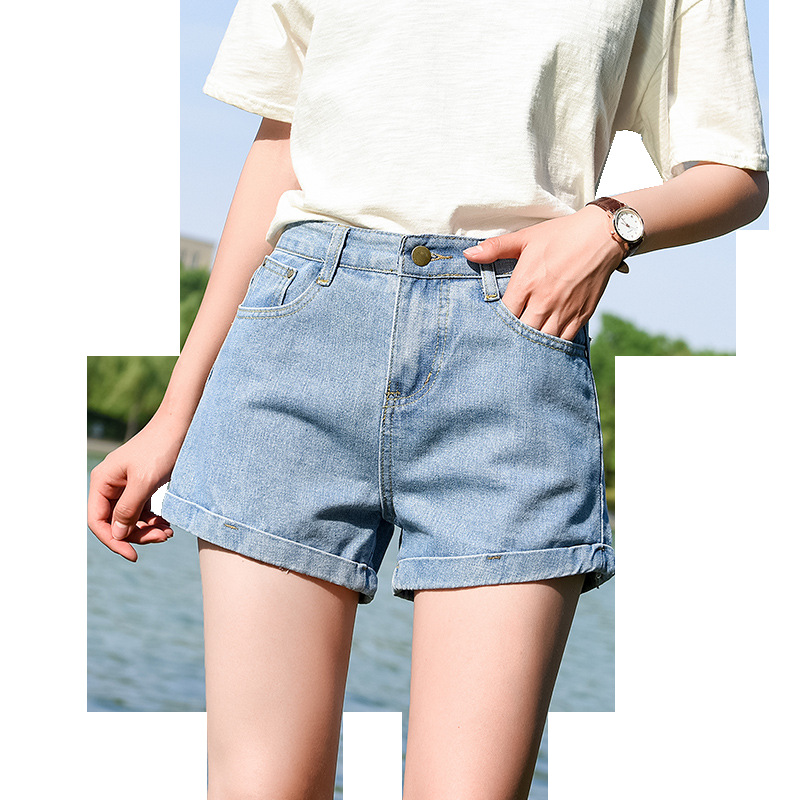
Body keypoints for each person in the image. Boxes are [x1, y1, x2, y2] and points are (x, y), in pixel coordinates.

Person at [87, 1, 768, 798]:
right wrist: (175, 414)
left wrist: (611, 226)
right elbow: (281, 146)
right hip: (299, 337)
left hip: (514, 357)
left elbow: (734, 173)